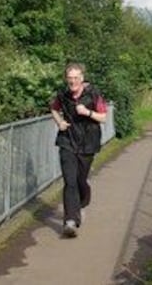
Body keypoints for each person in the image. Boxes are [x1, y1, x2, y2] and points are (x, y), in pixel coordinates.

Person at [49, 62, 108, 237]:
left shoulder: (93, 94)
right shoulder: (62, 95)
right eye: (70, 78)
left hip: (88, 142)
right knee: (70, 181)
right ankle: (70, 221)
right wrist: (59, 122)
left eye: (76, 78)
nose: (73, 82)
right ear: (66, 79)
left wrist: (87, 113)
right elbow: (53, 108)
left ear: (82, 79)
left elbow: (103, 117)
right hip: (67, 141)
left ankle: (83, 202)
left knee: (81, 180)